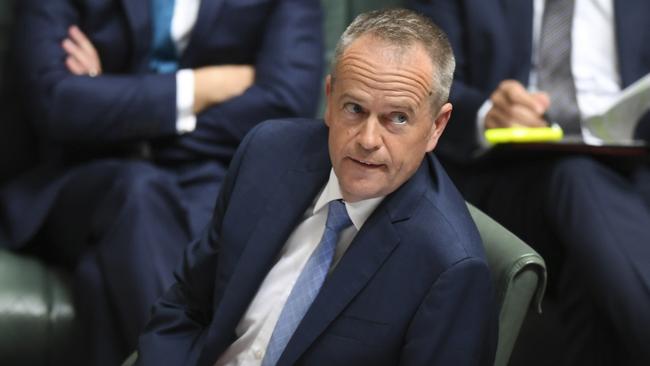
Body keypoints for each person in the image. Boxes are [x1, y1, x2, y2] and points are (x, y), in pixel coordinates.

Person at [135, 8, 497, 366]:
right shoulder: (267, 154)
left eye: (397, 118)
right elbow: (186, 304)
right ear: (329, 98)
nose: (368, 140)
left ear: (437, 125)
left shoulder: (450, 266)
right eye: (354, 108)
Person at [0, 0, 323, 364]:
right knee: (139, 192)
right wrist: (198, 89)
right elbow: (55, 100)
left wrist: (111, 101)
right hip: (81, 178)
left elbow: (285, 105)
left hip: (208, 180)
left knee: (104, 277)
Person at [408, 0, 650, 365]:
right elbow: (415, 79)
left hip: (634, 177)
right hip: (513, 180)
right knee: (577, 174)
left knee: (592, 272)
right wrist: (488, 113)